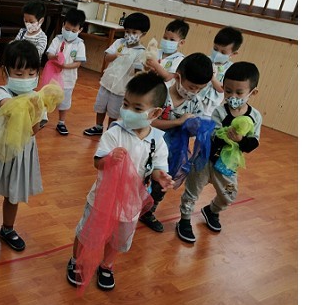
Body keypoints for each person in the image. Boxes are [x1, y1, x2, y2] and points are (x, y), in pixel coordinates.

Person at [67, 72, 174, 290]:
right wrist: (109, 159)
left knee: (118, 238)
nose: (127, 111)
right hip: (102, 199)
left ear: (155, 113)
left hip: (131, 203)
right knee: (88, 233)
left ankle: (107, 265)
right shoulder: (115, 132)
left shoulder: (158, 141)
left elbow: (157, 168)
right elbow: (97, 163)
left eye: (137, 108)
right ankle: (76, 261)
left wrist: (161, 176)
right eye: (126, 104)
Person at [176, 62, 262, 243]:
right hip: (205, 161)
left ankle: (212, 210)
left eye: (239, 93)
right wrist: (223, 135)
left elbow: (253, 143)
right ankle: (184, 220)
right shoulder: (219, 111)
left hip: (227, 166)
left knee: (229, 195)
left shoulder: (255, 117)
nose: (232, 96)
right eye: (228, 91)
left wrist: (240, 140)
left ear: (252, 92)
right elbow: (212, 136)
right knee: (192, 192)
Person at [0, 40, 44, 257]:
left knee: (13, 196)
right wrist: (33, 104)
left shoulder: (36, 98)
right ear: (5, 72)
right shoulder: (0, 92)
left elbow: (34, 129)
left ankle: (7, 229)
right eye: (19, 73)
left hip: (20, 156)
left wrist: (38, 108)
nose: (25, 79)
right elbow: (10, 108)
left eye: (31, 74)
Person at [139, 52, 213, 232]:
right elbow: (148, 122)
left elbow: (193, 131)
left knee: (161, 185)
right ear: (178, 77)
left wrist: (196, 128)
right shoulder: (159, 94)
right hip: (146, 148)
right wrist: (178, 122)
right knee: (139, 178)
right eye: (192, 87)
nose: (194, 92)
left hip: (172, 154)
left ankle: (148, 211)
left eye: (199, 89)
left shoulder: (195, 103)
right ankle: (129, 206)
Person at [83, 12, 150, 136]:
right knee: (100, 106)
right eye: (127, 31)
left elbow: (138, 72)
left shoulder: (141, 52)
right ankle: (98, 126)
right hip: (107, 82)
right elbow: (107, 58)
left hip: (121, 88)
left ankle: (110, 131)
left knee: (114, 112)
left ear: (143, 34)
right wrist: (116, 55)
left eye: (134, 32)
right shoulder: (119, 42)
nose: (129, 35)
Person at [46, 8, 87, 136]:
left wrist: (64, 66)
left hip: (68, 79)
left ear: (80, 30)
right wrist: (54, 57)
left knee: (64, 102)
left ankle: (61, 122)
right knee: (47, 97)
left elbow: (78, 63)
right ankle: (42, 117)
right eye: (67, 29)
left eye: (74, 31)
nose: (70, 33)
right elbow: (49, 54)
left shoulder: (80, 44)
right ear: (63, 25)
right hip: (53, 77)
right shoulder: (57, 39)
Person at [14, 1, 49, 127]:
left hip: (30, 72)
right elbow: (14, 45)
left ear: (41, 21)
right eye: (26, 20)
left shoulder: (42, 37)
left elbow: (38, 53)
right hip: (17, 68)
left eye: (31, 21)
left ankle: (33, 116)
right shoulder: (22, 32)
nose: (28, 24)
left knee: (28, 92)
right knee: (15, 90)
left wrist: (23, 51)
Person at [197, 26, 244, 116]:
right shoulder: (205, 60)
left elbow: (222, 89)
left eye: (223, 52)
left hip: (210, 109)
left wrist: (212, 78)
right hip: (195, 99)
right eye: (215, 49)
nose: (217, 53)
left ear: (233, 54)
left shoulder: (231, 69)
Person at [144, 18, 189, 84]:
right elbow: (145, 69)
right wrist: (147, 67)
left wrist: (156, 65)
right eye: (165, 38)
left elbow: (168, 77)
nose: (167, 41)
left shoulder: (179, 59)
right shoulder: (156, 52)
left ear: (181, 43)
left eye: (172, 40)